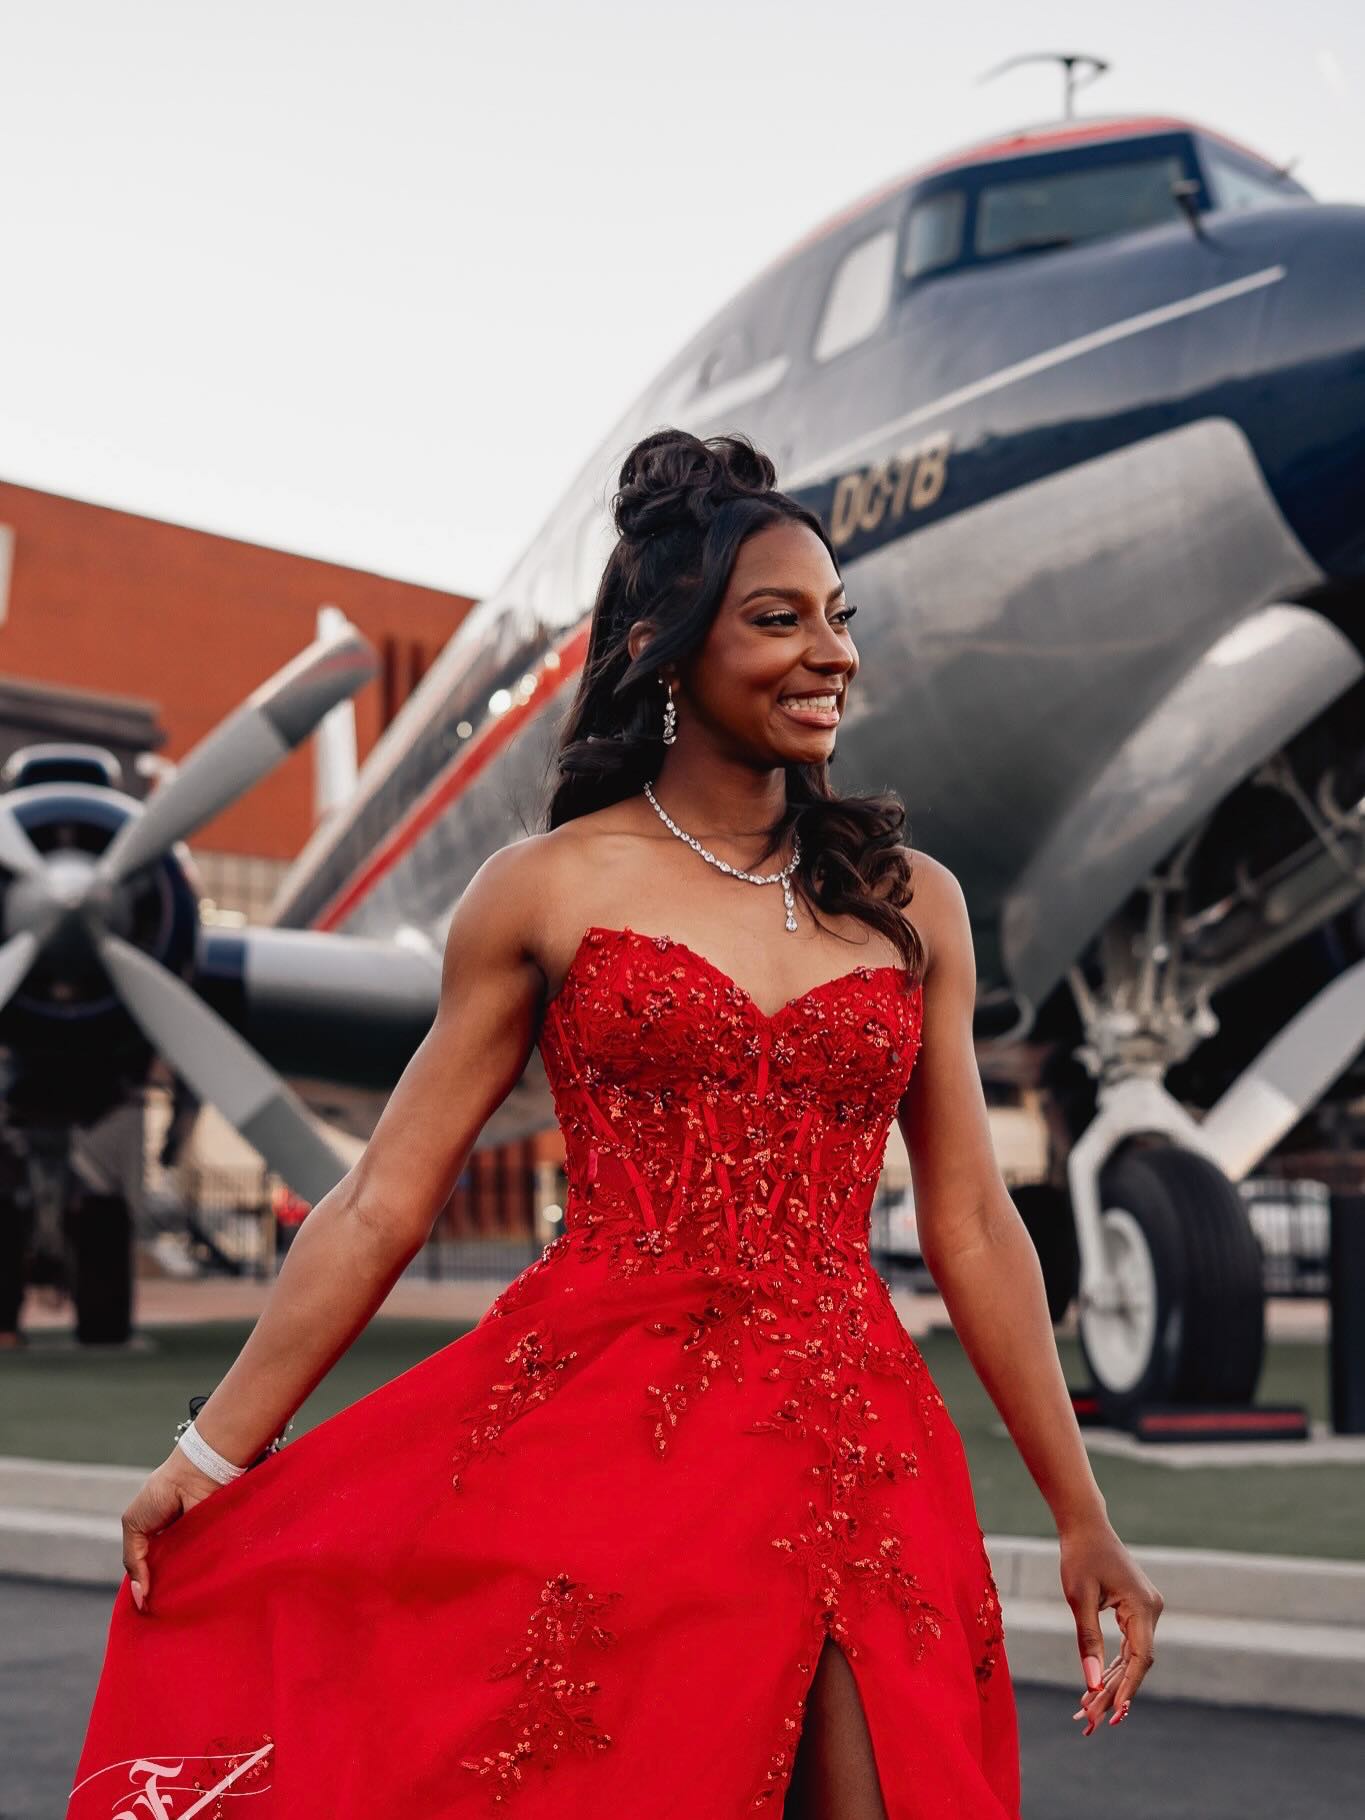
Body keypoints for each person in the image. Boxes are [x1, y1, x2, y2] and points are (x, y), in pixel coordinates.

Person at [67, 429, 1162, 1819]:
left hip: (859, 1445)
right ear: (663, 649)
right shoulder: (543, 889)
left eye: (839, 618)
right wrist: (210, 1453)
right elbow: (380, 1204)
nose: (831, 653)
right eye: (777, 620)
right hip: (607, 1437)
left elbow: (968, 1220)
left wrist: (1082, 1514)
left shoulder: (908, 900)